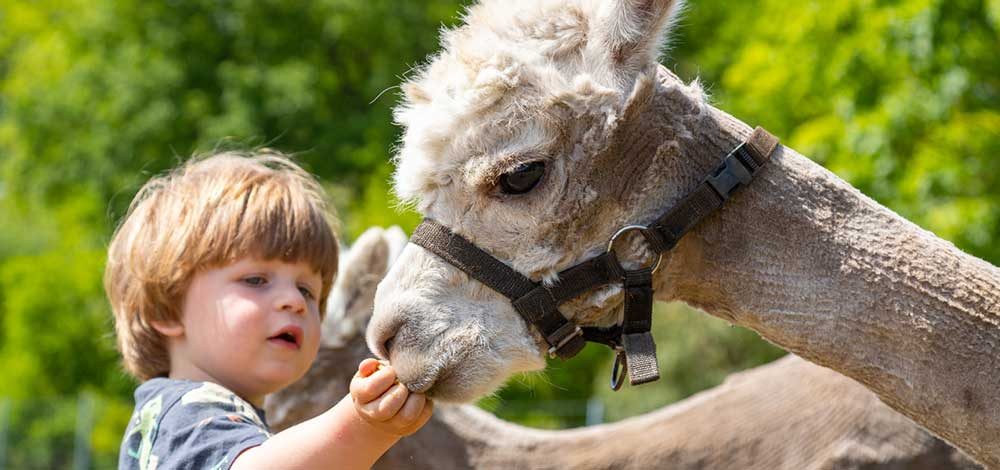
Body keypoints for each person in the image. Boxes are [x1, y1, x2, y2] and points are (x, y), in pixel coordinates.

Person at [105, 152, 432, 470]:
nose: (295, 300)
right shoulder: (185, 415)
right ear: (169, 309)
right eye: (256, 280)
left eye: (307, 290)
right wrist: (363, 428)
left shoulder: (201, 421)